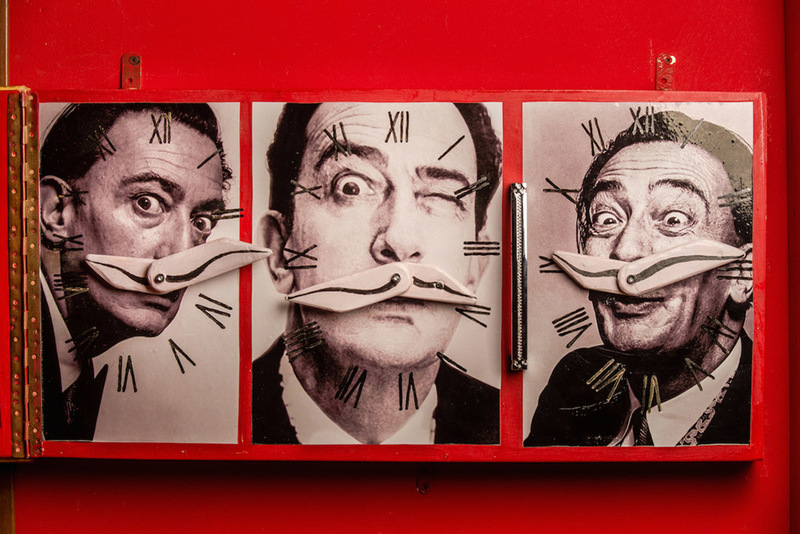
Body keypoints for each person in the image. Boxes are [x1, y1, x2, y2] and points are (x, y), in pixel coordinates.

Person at [253, 102, 502, 444]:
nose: (400, 241)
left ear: (475, 263)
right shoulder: (219, 414)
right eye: (350, 187)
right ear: (281, 251)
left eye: (443, 197)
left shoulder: (512, 428)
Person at [526, 110, 754, 447]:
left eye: (674, 220)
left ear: (741, 273)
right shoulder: (576, 382)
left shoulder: (773, 410)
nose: (626, 251)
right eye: (606, 218)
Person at [39, 103, 232, 440]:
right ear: (57, 211)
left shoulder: (70, 369)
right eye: (147, 202)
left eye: (201, 222)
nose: (183, 256)